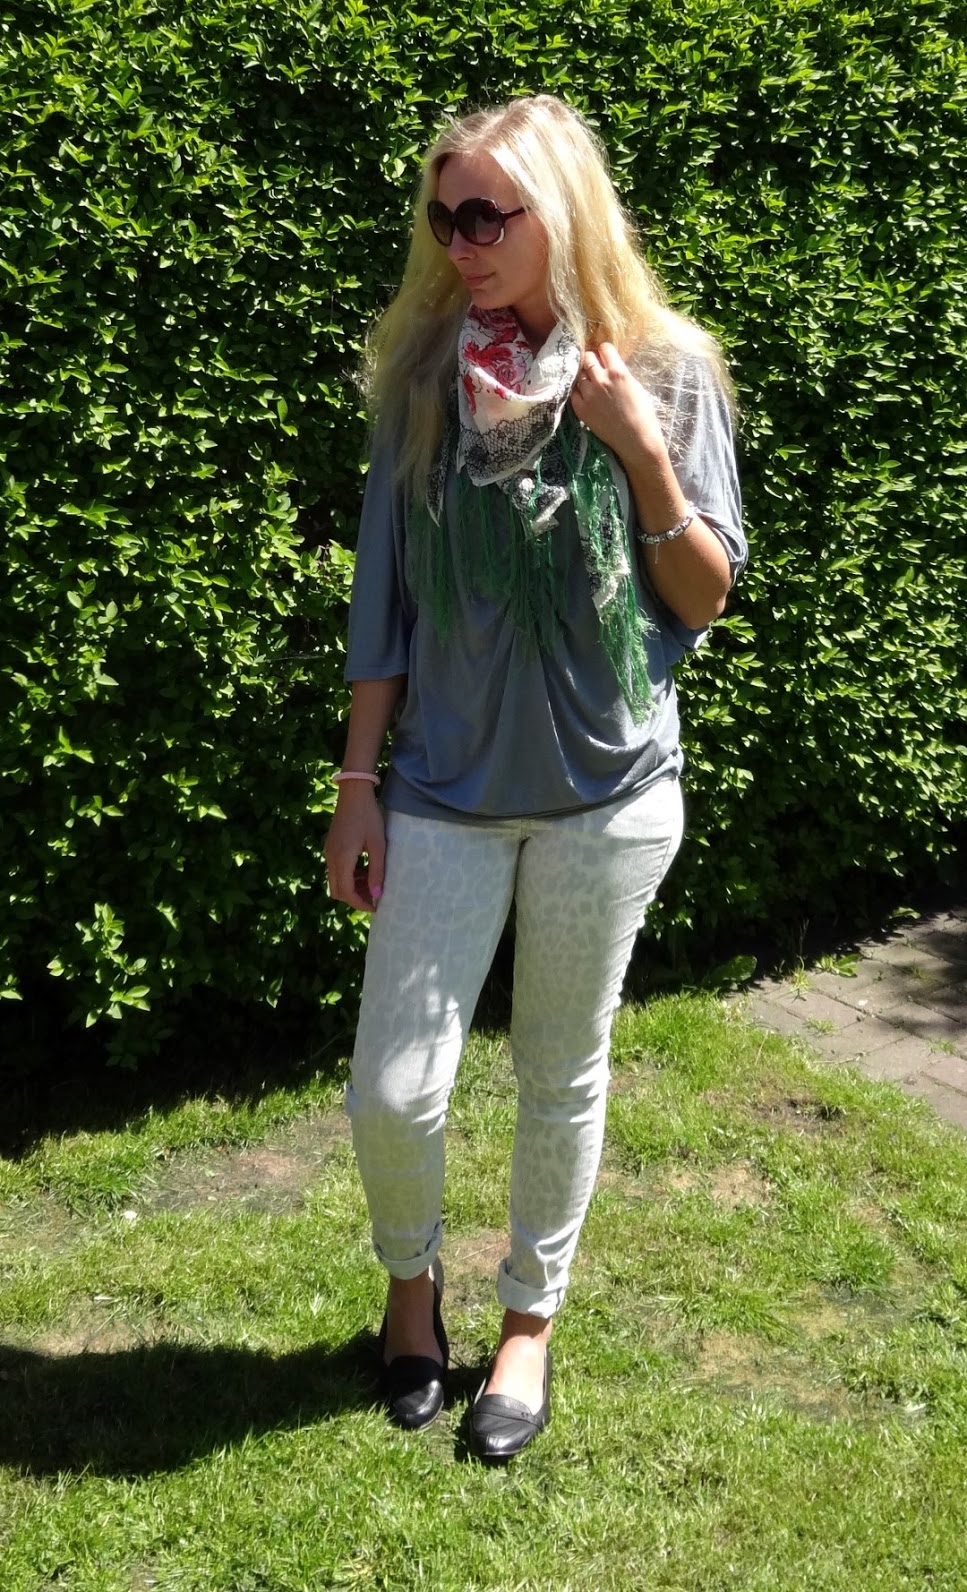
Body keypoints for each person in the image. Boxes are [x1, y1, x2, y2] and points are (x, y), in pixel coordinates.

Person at [324, 93, 746, 1462]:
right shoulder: (424, 377)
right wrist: (357, 782)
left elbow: (704, 594)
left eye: (487, 214)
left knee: (564, 1071)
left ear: (561, 212)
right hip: (446, 791)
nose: (461, 243)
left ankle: (527, 1324)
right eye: (444, 216)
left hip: (607, 798)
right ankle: (410, 1291)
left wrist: (636, 447)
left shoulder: (667, 371)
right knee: (394, 1090)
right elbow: (385, 598)